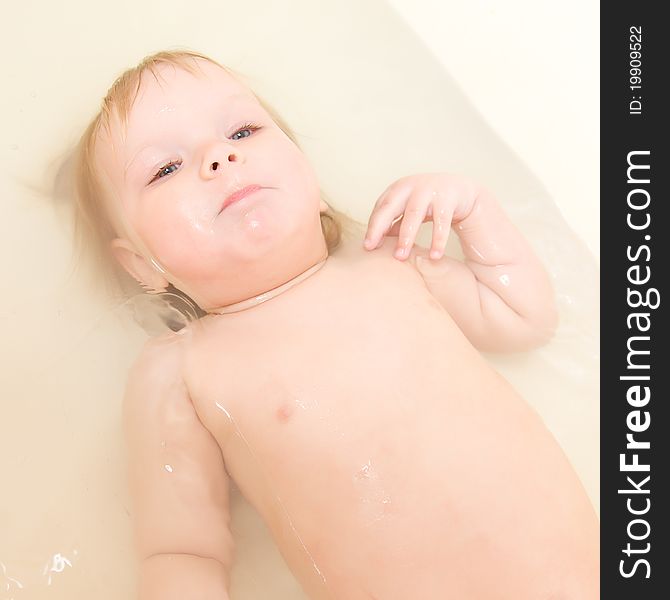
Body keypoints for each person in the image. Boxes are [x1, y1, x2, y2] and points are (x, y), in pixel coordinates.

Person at [72, 49, 599, 599]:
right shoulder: (180, 371)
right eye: (165, 168)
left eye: (244, 131)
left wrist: (473, 209)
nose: (219, 157)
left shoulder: (396, 265)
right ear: (139, 264)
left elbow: (525, 320)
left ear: (308, 174)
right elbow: (181, 550)